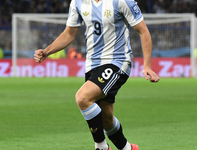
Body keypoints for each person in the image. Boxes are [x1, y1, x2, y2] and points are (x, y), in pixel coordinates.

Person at [34, 0, 160, 150]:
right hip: (92, 65)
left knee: (83, 97)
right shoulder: (77, 2)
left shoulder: (122, 1)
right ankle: (128, 148)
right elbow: (69, 33)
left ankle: (101, 147)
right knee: (106, 119)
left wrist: (147, 66)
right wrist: (47, 51)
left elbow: (143, 31)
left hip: (117, 61)